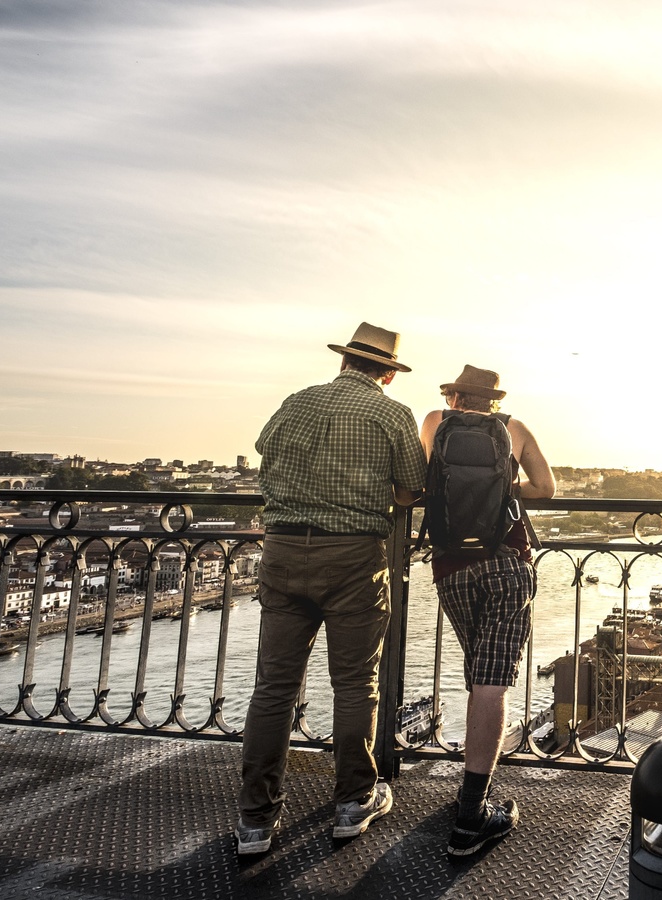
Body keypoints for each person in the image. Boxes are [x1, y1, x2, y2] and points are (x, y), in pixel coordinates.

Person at [235, 322, 426, 856]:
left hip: (281, 549)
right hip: (352, 558)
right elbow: (411, 491)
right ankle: (352, 801)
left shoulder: (296, 402)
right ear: (388, 373)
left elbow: (264, 457)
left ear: (344, 361)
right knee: (354, 683)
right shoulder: (391, 413)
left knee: (274, 687)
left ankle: (255, 818)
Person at [421, 364, 555, 857]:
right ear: (493, 401)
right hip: (505, 562)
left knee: (477, 668)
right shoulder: (513, 430)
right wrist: (506, 490)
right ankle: (471, 812)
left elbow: (421, 484)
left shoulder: (435, 422)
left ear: (455, 397)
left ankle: (473, 788)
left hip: (452, 567)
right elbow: (547, 488)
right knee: (492, 678)